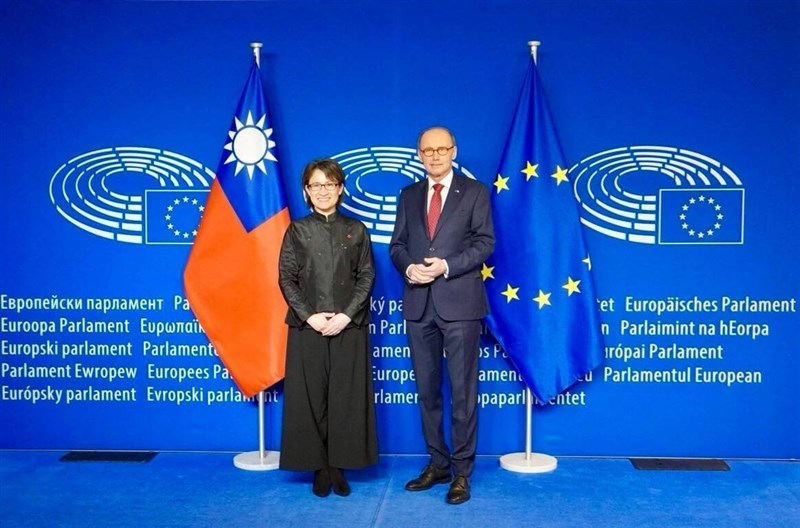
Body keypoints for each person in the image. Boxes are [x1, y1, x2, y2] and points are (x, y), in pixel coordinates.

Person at [389, 126, 495, 505]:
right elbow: (397, 244)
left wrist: (444, 266)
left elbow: (485, 243)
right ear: (419, 154)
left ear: (454, 151)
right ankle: (438, 463)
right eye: (427, 150)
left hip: (461, 306)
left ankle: (462, 473)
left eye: (441, 149)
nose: (434, 156)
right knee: (427, 392)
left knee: (463, 394)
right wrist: (409, 269)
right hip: (419, 306)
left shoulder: (476, 192)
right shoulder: (408, 195)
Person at [278, 158, 378, 497]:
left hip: (349, 326)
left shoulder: (357, 229)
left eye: (329, 184)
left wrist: (347, 315)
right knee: (310, 399)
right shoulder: (297, 230)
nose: (323, 191)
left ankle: (339, 466)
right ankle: (319, 467)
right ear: (307, 191)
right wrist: (310, 315)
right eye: (316, 185)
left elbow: (366, 276)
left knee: (345, 399)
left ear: (340, 188)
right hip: (308, 327)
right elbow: (286, 278)